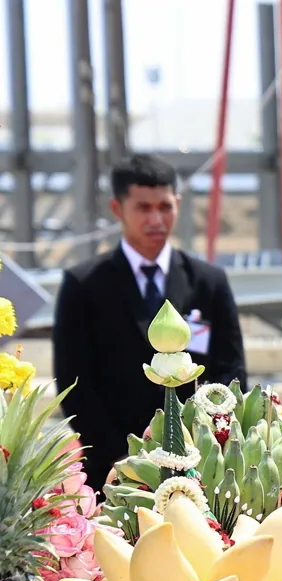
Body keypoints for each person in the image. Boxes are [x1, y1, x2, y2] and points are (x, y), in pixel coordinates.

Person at [54, 153, 247, 490]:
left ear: (178, 204)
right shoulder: (84, 285)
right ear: (117, 209)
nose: (156, 218)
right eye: (143, 208)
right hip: (113, 471)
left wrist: (209, 441)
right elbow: (74, 383)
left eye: (165, 206)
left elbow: (231, 370)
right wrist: (125, 460)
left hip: (200, 468)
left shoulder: (209, 281)